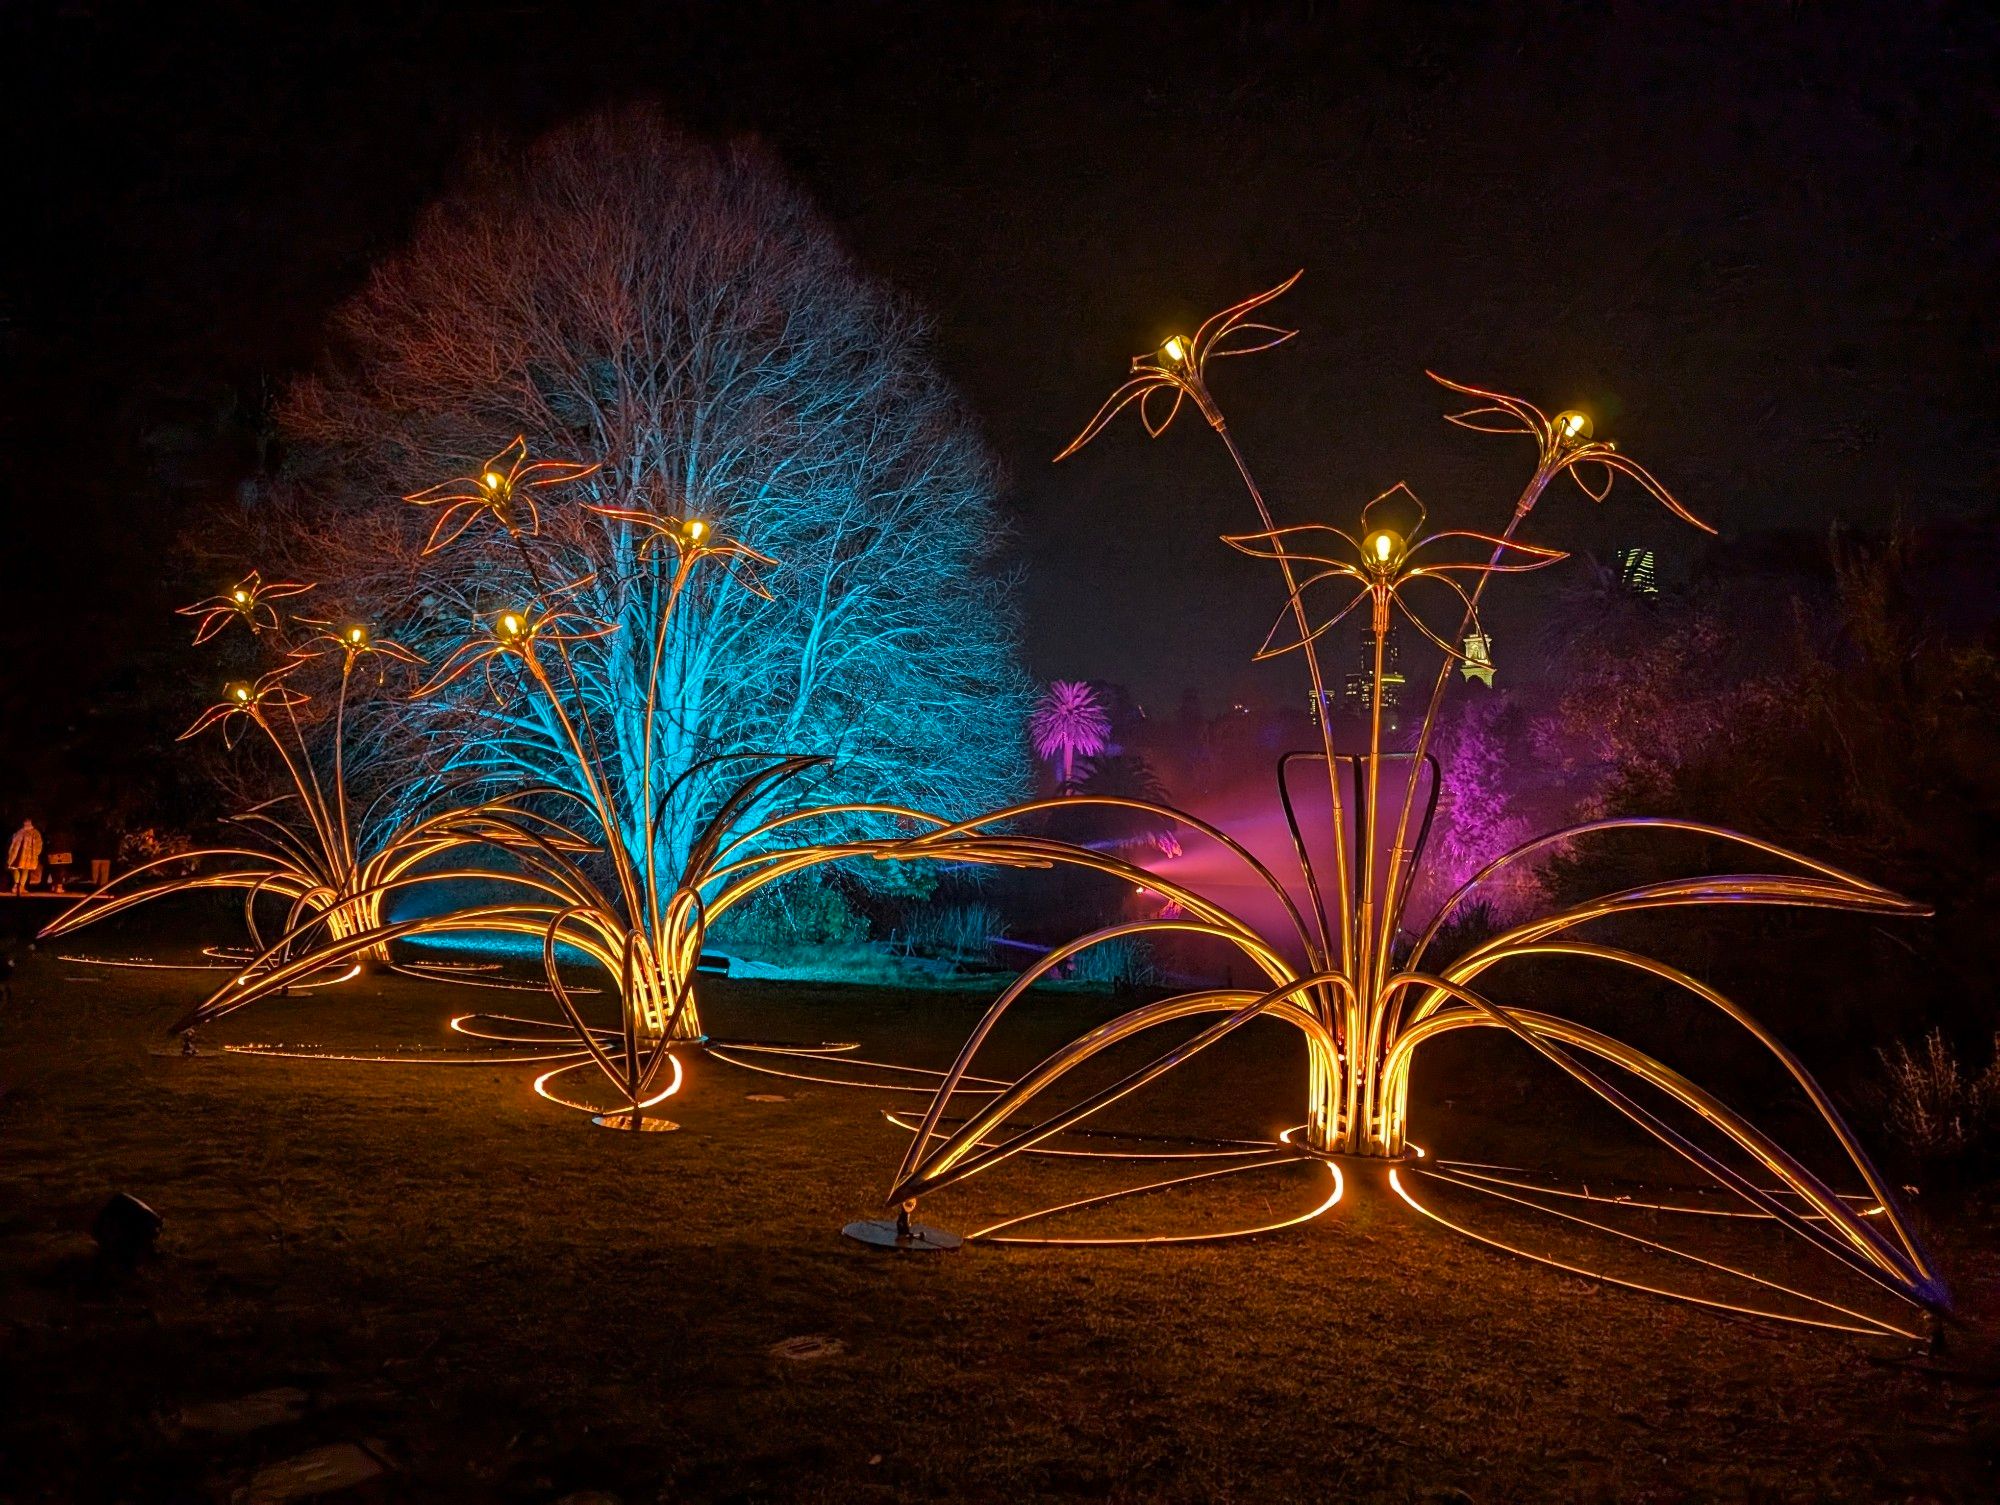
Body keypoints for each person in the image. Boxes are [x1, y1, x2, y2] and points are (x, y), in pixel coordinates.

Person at [8, 819, 43, 895]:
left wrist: (36, 853)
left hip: (25, 855)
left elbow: (39, 844)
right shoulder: (22, 832)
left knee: (22, 869)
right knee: (20, 869)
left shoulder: (30, 832)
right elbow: (13, 843)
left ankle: (19, 886)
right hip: (21, 855)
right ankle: (18, 886)